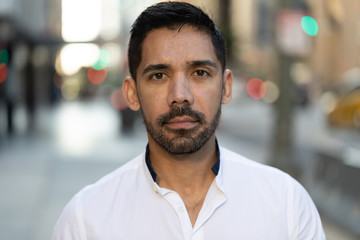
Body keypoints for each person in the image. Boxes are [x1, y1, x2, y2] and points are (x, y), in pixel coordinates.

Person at [52, 2, 326, 239]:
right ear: (132, 94)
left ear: (226, 87)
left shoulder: (287, 205)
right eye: (159, 75)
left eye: (199, 73)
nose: (180, 96)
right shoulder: (86, 220)